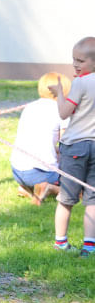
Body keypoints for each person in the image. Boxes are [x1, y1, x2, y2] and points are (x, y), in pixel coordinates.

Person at [48, 37, 95, 257]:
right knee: (92, 200)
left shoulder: (80, 83)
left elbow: (64, 112)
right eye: (74, 60)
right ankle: (89, 247)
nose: (75, 65)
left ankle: (61, 242)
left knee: (66, 198)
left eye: (81, 61)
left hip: (76, 147)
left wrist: (59, 94)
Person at [11, 72, 71, 205]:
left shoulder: (30, 107)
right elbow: (66, 145)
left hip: (17, 171)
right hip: (40, 173)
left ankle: (26, 188)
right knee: (76, 184)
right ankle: (50, 188)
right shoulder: (62, 111)